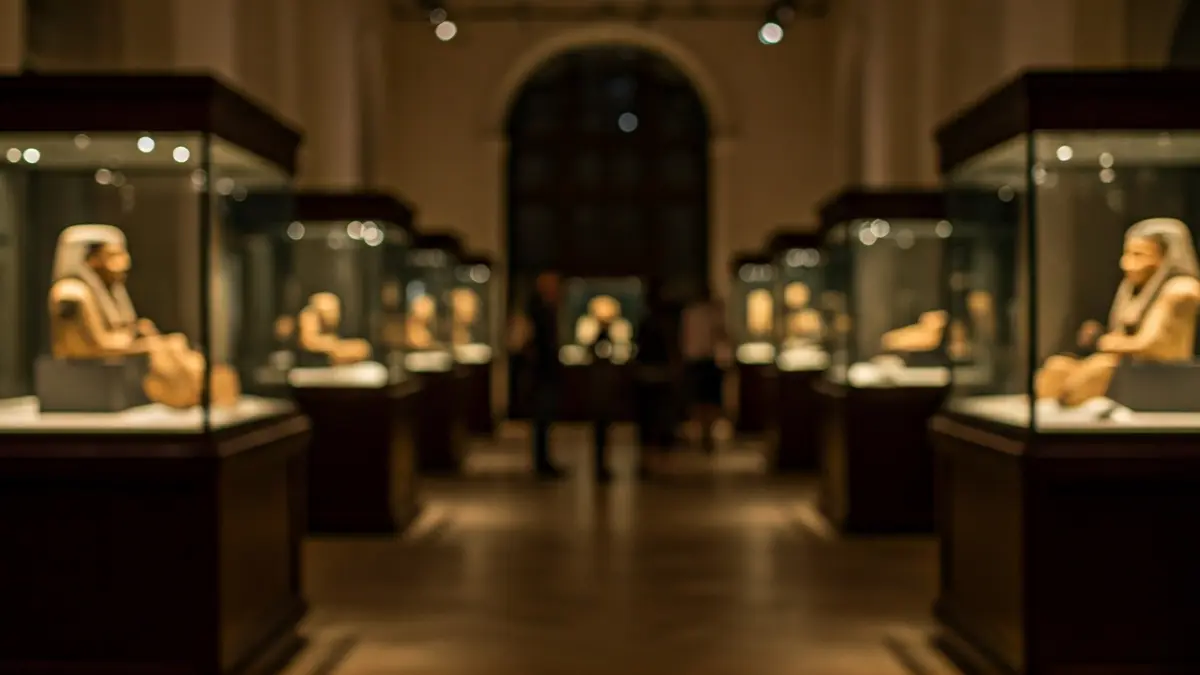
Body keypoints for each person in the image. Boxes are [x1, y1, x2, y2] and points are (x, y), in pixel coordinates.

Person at [633, 280, 680, 475]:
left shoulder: (651, 322)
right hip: (655, 376)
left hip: (652, 376)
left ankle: (651, 460)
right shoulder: (660, 323)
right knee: (655, 420)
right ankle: (653, 461)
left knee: (652, 421)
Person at [526, 271, 565, 479]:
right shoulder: (539, 312)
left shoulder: (546, 310)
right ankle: (541, 461)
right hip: (542, 374)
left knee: (545, 420)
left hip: (545, 373)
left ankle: (543, 460)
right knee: (542, 418)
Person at [681, 291, 727, 453]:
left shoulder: (708, 313)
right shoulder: (693, 313)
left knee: (708, 401)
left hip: (708, 361)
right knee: (700, 400)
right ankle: (703, 432)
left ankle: (706, 432)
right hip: (698, 361)